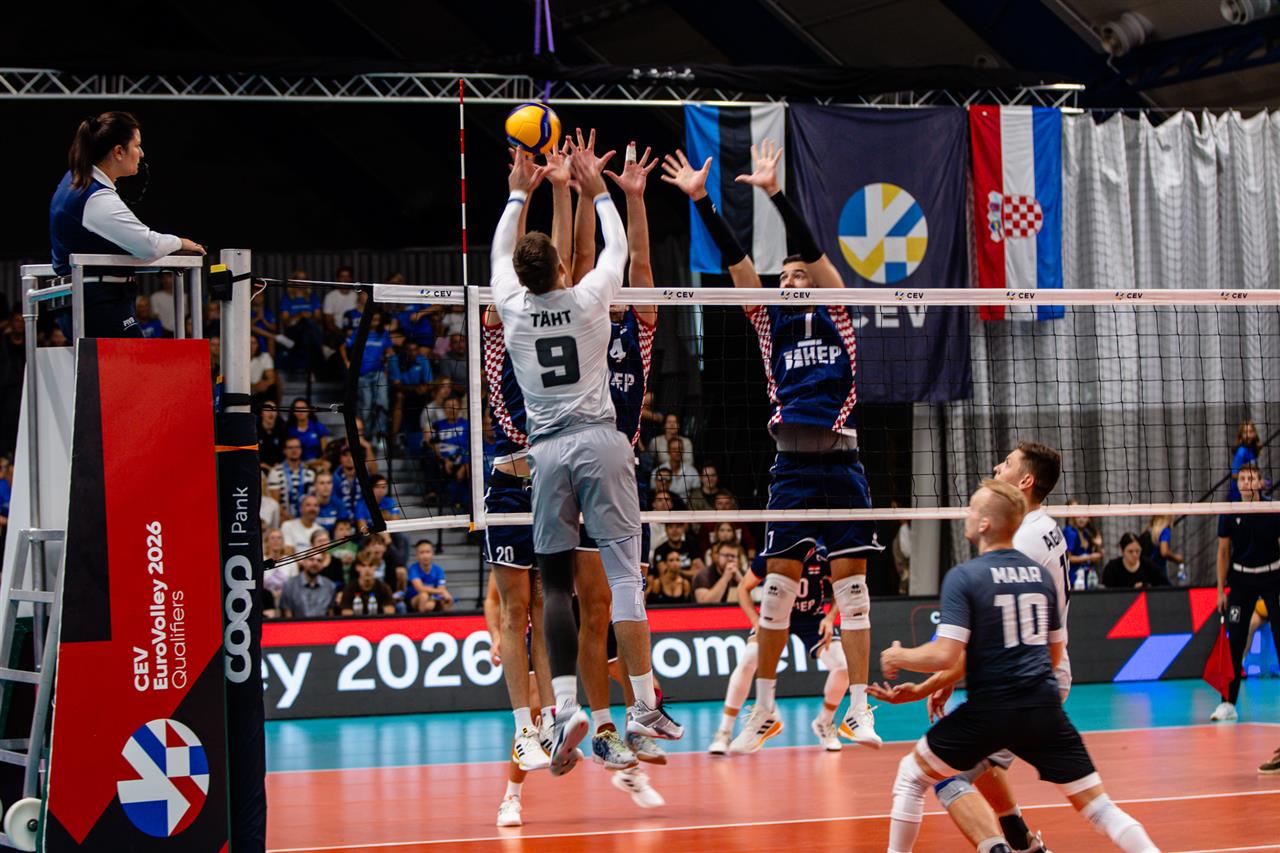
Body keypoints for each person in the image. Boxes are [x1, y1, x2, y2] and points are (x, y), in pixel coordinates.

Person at [664, 138, 882, 750]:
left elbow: (814, 252)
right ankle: (762, 710)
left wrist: (775, 193)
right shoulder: (769, 321)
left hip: (841, 463)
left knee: (853, 594)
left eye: (796, 275)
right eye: (781, 277)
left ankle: (857, 709)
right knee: (775, 596)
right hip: (790, 468)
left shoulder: (838, 312)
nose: (788, 281)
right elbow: (737, 264)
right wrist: (703, 202)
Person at [490, 136, 678, 775]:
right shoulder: (593, 301)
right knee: (622, 580)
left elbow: (505, 253)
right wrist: (598, 190)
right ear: (561, 271)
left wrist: (520, 191)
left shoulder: (514, 309)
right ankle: (634, 707)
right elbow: (614, 251)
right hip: (602, 444)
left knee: (559, 589)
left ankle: (572, 708)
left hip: (548, 453)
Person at [876, 480, 1160, 853]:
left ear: (984, 524)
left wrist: (899, 656)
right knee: (1100, 808)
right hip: (1043, 705)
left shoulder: (965, 576)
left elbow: (944, 654)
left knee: (911, 777)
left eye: (973, 508)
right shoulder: (1040, 576)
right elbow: (1054, 654)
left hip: (991, 710)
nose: (967, 513)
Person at [875, 442, 1068, 852]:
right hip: (1040, 672)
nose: (997, 467)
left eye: (1008, 463)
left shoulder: (1020, 544)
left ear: (1025, 481)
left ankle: (998, 847)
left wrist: (927, 683)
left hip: (1025, 678)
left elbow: (979, 639)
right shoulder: (1044, 527)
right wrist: (945, 680)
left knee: (944, 774)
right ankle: (1021, 841)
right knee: (982, 760)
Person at [49, 112, 205, 339]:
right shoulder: (95, 197)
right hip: (99, 303)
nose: (141, 153)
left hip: (86, 299)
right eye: (137, 146)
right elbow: (147, 245)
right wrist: (180, 242)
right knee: (137, 363)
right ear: (119, 152)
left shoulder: (74, 180)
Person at [709, 545, 849, 754]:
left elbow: (840, 588)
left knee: (843, 667)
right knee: (748, 659)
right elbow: (743, 588)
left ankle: (825, 722)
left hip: (811, 619)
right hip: (775, 614)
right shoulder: (773, 552)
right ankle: (724, 731)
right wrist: (755, 621)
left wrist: (830, 618)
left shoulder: (822, 554)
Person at [1211, 463, 1280, 723]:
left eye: (1251, 479)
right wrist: (1221, 591)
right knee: (1235, 641)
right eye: (1241, 479)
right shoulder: (1230, 511)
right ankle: (1227, 703)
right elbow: (1223, 552)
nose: (1246, 483)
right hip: (1241, 580)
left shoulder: (1272, 509)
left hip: (1273, 576)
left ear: (1260, 483)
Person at [268, 438, 315, 520]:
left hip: (306, 519)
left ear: (301, 450)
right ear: (284, 451)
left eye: (297, 447)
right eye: (290, 448)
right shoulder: (275, 472)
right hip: (283, 519)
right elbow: (275, 502)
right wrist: (292, 521)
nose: (294, 450)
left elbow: (312, 498)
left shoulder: (310, 473)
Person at [1102, 533, 1170, 589]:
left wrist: (1148, 587)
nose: (1135, 555)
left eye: (1137, 551)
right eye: (1130, 551)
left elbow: (1165, 586)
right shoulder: (1112, 568)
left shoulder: (1149, 566)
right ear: (1122, 551)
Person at [338, 551, 395, 615]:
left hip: (378, 621)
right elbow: (346, 614)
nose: (367, 569)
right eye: (363, 565)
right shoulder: (349, 588)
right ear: (357, 567)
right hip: (356, 621)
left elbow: (389, 614)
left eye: (370, 565)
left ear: (375, 567)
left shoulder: (384, 588)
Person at [280, 554, 336, 619]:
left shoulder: (330, 586)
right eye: (311, 559)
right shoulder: (289, 585)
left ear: (322, 565)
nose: (315, 563)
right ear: (303, 562)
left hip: (322, 625)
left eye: (319, 560)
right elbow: (287, 615)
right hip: (297, 625)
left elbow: (331, 614)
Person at [1063, 503, 1103, 590]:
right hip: (1073, 579)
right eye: (1078, 516)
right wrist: (1089, 557)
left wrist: (1098, 546)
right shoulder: (1070, 532)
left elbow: (1098, 556)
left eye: (1084, 517)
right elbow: (1068, 558)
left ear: (1089, 519)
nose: (1081, 519)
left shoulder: (1087, 533)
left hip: (1087, 578)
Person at [407, 540, 453, 613]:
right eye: (422, 552)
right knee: (424, 596)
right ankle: (421, 618)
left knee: (447, 598)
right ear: (417, 556)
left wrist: (434, 598)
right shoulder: (413, 569)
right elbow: (420, 588)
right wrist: (437, 594)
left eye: (428, 552)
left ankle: (447, 619)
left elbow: (442, 588)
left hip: (434, 597)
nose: (425, 556)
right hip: (415, 599)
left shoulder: (439, 570)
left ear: (432, 554)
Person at [287, 397, 330, 466]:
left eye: (303, 408)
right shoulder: (289, 429)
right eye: (297, 408)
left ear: (309, 410)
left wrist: (312, 464)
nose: (300, 411)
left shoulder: (318, 427)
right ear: (293, 412)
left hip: (317, 463)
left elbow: (325, 453)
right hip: (296, 465)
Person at [1141, 515, 1184, 585]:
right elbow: (1164, 552)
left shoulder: (1148, 530)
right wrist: (1177, 559)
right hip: (1158, 571)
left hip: (1146, 571)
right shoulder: (1165, 531)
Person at [1230, 420, 1262, 501]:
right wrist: (1250, 480)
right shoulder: (1241, 451)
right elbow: (1234, 474)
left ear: (1255, 433)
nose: (1248, 435)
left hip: (1252, 492)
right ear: (1241, 435)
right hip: (1238, 494)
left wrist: (1258, 480)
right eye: (1245, 432)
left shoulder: (1252, 450)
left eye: (1250, 432)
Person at [257, 401, 288, 470]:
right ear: (261, 413)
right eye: (267, 410)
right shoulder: (255, 430)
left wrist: (279, 464)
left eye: (274, 409)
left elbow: (285, 451)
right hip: (259, 467)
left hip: (279, 467)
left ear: (277, 413)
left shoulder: (283, 430)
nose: (271, 413)